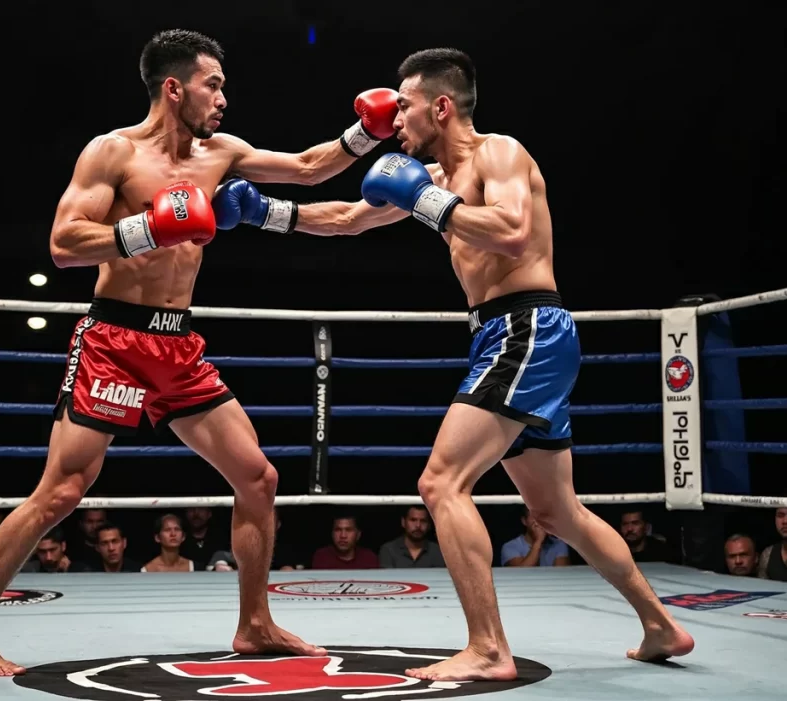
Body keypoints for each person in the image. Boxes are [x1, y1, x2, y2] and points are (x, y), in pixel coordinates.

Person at [216, 47, 695, 681]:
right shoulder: (431, 180)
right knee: (556, 511)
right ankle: (662, 627)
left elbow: (514, 230)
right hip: (508, 336)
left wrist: (427, 202)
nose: (395, 120)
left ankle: (489, 648)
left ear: (441, 106)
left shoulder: (500, 153)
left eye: (405, 105)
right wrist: (264, 214)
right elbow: (347, 221)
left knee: (441, 483)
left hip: (526, 328)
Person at [0, 28, 399, 677]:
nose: (223, 99)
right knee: (64, 490)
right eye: (213, 85)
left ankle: (254, 623)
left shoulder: (221, 155)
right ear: (174, 87)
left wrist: (366, 133)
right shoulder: (114, 152)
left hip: (177, 343)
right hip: (115, 341)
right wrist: (151, 226)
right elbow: (65, 244)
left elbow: (307, 167)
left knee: (258, 478)